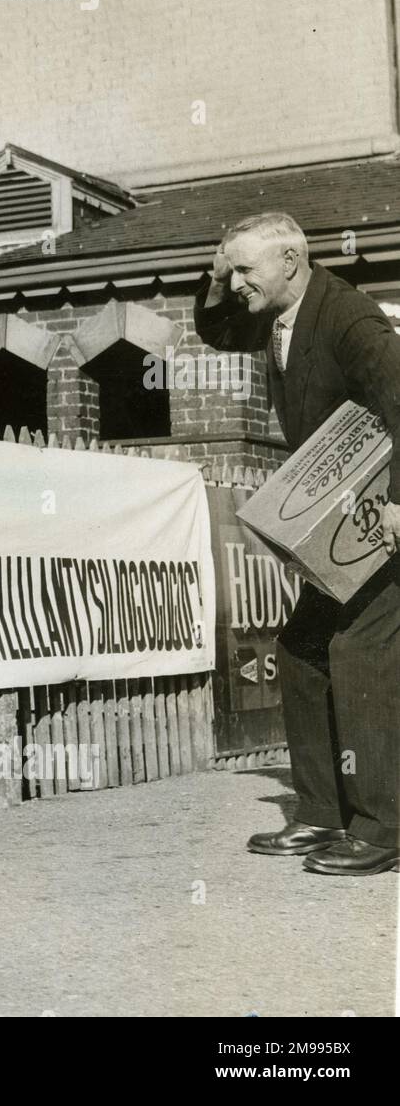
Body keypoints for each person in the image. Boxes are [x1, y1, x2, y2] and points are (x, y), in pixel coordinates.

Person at [194, 211, 400, 875]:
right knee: (304, 649)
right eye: (231, 272)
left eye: (246, 270)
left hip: (385, 521)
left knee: (359, 648)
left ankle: (383, 826)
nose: (237, 284)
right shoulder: (274, 313)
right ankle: (320, 812)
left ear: (290, 262)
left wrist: (399, 503)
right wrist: (215, 274)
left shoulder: (349, 318)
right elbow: (215, 327)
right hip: (344, 526)